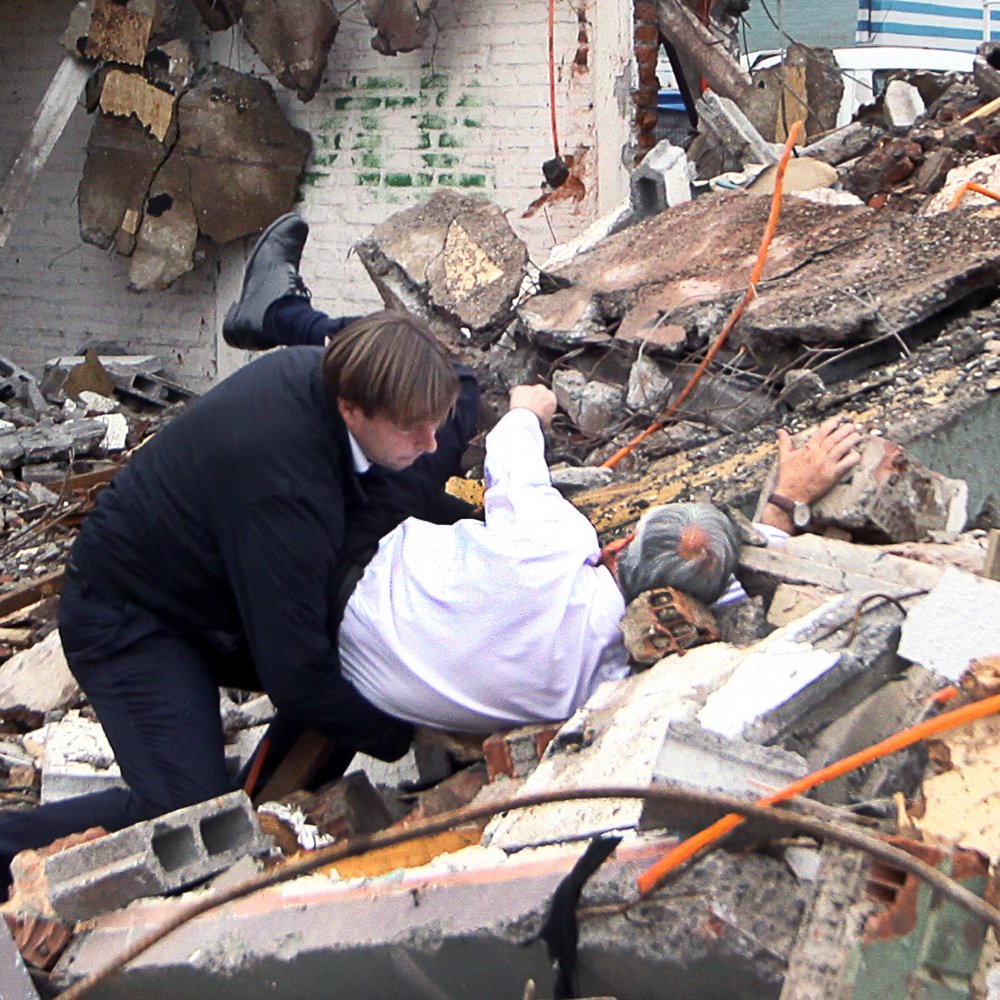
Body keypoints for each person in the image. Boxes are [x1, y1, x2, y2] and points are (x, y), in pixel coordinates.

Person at [0, 214, 481, 891]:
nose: (431, 445)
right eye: (412, 431)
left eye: (435, 425)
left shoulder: (363, 388)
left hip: (224, 583)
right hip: (136, 617)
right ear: (351, 409)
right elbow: (297, 675)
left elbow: (456, 384)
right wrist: (411, 733)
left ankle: (279, 312)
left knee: (385, 597)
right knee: (189, 817)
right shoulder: (284, 491)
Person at [334, 389, 862, 734]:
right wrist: (787, 498)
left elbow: (508, 451)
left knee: (426, 459)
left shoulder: (557, 541)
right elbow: (740, 583)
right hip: (376, 689)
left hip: (353, 592)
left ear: (619, 546)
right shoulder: (618, 680)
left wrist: (528, 408)